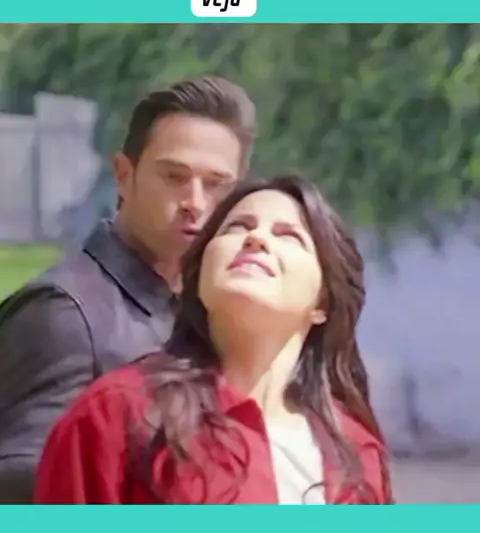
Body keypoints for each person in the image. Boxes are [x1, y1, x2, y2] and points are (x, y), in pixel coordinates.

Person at [35, 175, 393, 504]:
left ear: (323, 302)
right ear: (200, 274)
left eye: (288, 235)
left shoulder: (357, 456)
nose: (256, 238)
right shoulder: (115, 414)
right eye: (238, 226)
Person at [0, 75, 256, 503]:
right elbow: (23, 490)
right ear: (123, 175)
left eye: (216, 184)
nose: (195, 202)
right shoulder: (66, 314)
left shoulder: (207, 310)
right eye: (174, 176)